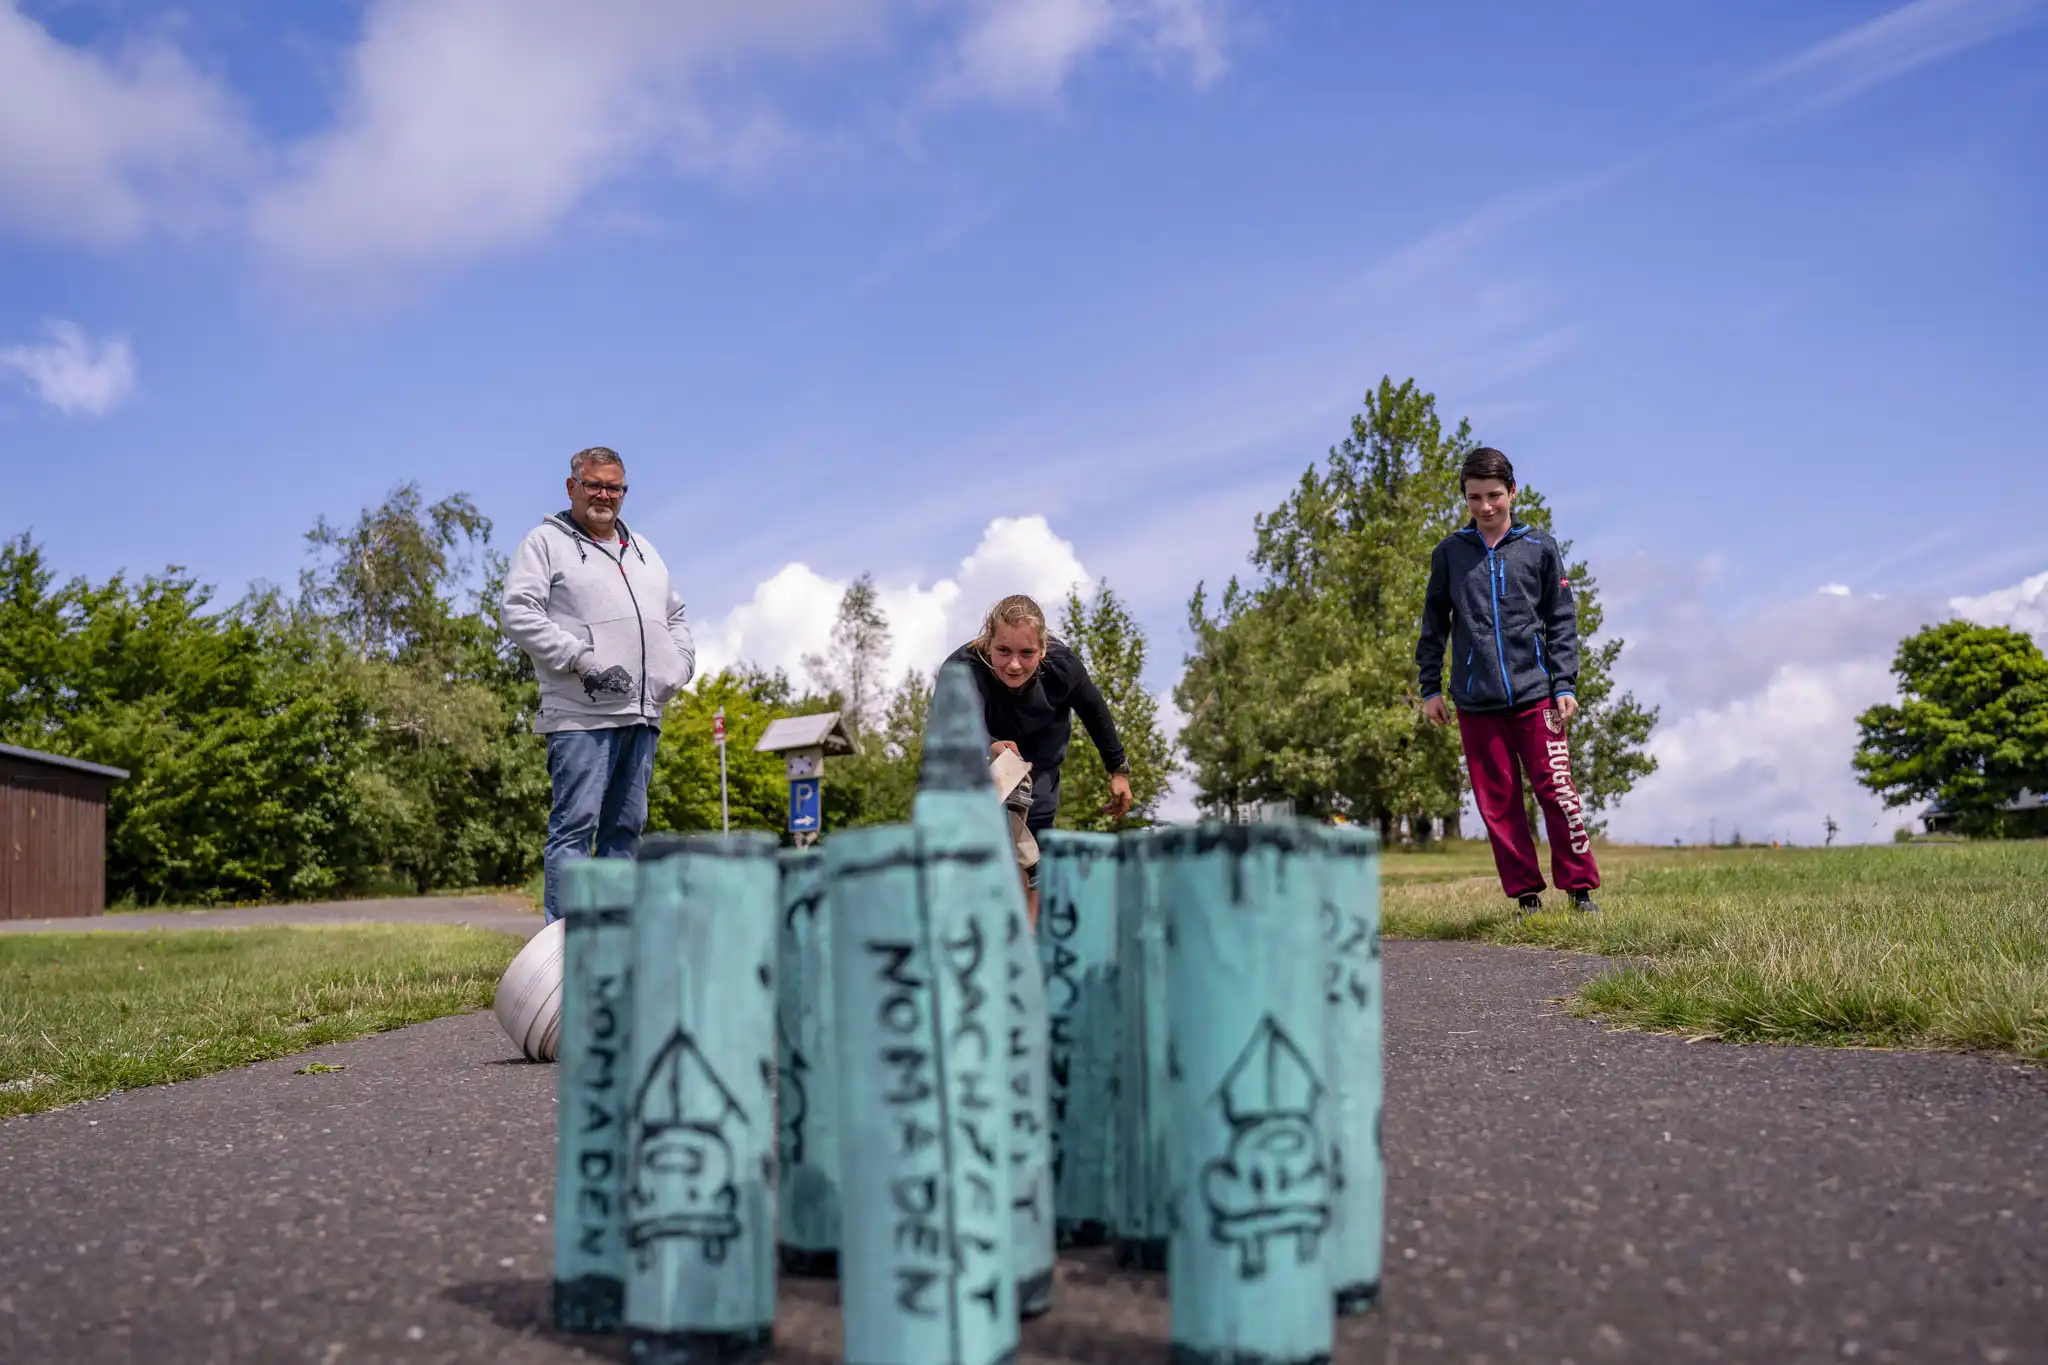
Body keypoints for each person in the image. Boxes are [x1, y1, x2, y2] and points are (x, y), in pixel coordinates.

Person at [501, 446, 696, 925]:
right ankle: (563, 958)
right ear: (573, 488)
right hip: (579, 714)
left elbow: (676, 615)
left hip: (642, 713)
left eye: (614, 487)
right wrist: (581, 660)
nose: (604, 495)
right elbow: (517, 612)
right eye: (595, 485)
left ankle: (614, 948)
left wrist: (681, 665)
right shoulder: (546, 542)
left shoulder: (645, 551)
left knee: (626, 831)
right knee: (576, 828)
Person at [1417, 447, 1602, 916]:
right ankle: (1526, 897)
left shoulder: (1539, 548)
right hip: (1477, 702)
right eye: (1474, 497)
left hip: (1537, 695)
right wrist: (1431, 688)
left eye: (1494, 495)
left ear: (1512, 492)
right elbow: (1434, 624)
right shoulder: (1450, 554)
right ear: (1464, 497)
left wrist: (1564, 684)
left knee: (1558, 791)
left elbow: (1561, 621)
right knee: (1497, 804)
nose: (1485, 507)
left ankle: (1580, 891)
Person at [943, 594, 1134, 922]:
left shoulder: (1062, 667)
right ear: (987, 644)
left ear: (1042, 650)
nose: (1014, 664)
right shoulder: (961, 669)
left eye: (1026, 653)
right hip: (983, 747)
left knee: (1032, 845)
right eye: (1003, 651)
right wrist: (990, 745)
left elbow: (1094, 710)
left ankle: (1031, 934)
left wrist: (1118, 769)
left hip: (1042, 753)